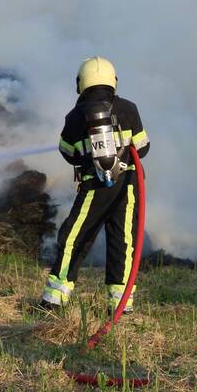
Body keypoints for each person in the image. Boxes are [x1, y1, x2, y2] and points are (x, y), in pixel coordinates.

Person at [38, 56, 150, 314]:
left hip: (94, 187)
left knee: (73, 237)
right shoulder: (129, 109)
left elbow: (67, 152)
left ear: (82, 83)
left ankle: (53, 300)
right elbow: (143, 149)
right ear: (113, 81)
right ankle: (121, 306)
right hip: (128, 187)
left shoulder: (75, 116)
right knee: (123, 242)